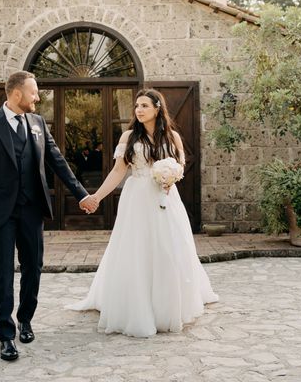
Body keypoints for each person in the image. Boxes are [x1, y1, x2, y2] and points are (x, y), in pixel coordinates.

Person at [0, 71, 98, 361]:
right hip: (0, 212)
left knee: (33, 267)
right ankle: (6, 335)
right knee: (2, 273)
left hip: (32, 209)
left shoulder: (38, 123)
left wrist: (82, 195)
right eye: (34, 92)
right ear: (17, 94)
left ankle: (25, 318)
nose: (38, 97)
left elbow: (57, 161)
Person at [66, 89, 218, 337]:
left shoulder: (173, 137)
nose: (138, 110)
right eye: (137, 106)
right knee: (136, 249)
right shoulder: (128, 136)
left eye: (144, 105)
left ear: (157, 108)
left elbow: (179, 166)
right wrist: (96, 197)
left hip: (165, 198)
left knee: (169, 248)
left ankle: (167, 306)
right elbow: (117, 172)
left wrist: (171, 178)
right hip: (136, 198)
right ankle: (135, 304)